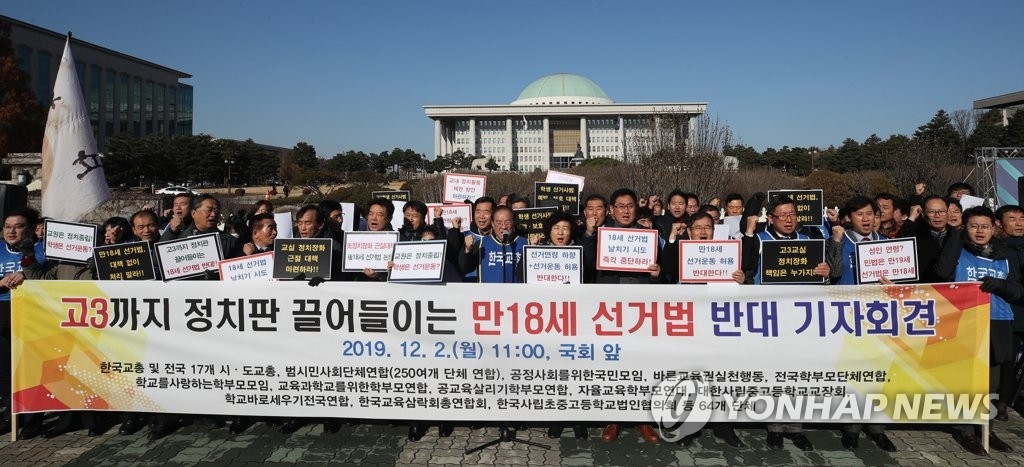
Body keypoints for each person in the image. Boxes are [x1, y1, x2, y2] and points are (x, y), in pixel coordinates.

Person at [741, 195, 838, 451]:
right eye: (782, 215)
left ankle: (796, 427)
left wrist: (825, 275)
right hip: (769, 319)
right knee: (773, 376)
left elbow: (821, 282)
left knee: (797, 376)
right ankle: (774, 427)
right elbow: (746, 267)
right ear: (771, 218)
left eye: (792, 214)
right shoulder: (761, 241)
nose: (788, 219)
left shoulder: (809, 242)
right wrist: (750, 232)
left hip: (801, 321)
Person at [934, 206, 1020, 454]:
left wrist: (1002, 285)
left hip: (998, 321)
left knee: (990, 383)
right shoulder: (958, 250)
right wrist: (956, 235)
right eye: (973, 226)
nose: (979, 231)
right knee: (965, 379)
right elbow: (941, 273)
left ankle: (987, 428)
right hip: (965, 321)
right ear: (965, 228)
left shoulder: (1005, 255)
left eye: (985, 226)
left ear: (994, 228)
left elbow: (1019, 291)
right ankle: (965, 431)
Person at [582, 188, 661, 445]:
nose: (626, 210)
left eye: (629, 206)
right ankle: (613, 418)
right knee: (613, 367)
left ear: (635, 209)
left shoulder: (648, 236)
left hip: (640, 311)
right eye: (620, 206)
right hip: (609, 311)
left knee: (641, 366)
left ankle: (642, 419)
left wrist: (657, 273)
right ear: (612, 210)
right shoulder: (601, 235)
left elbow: (666, 274)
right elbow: (585, 263)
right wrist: (591, 234)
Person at [0, 208, 47, 438]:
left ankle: (32, 419)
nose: (11, 231)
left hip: (31, 314)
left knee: (30, 369)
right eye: (7, 226)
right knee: (5, 371)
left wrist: (26, 275)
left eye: (17, 226)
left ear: (28, 229)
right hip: (2, 312)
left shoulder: (40, 249)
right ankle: (10, 414)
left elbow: (47, 278)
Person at [459, 205, 526, 283]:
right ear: (493, 224)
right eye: (499, 223)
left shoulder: (525, 243)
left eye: (507, 222)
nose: (503, 227)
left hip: (516, 294)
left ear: (513, 222)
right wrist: (467, 250)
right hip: (488, 294)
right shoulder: (481, 244)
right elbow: (465, 268)